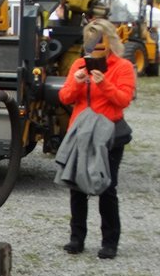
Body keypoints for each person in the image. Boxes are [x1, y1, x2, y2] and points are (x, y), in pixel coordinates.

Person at [57, 18, 135, 259]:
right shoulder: (79, 64)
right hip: (81, 133)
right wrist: (77, 82)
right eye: (91, 43)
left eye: (100, 43)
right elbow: (65, 97)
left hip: (108, 134)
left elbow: (123, 100)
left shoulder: (123, 67)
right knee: (76, 187)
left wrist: (105, 84)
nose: (95, 48)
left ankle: (110, 242)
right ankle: (76, 238)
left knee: (107, 188)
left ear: (110, 42)